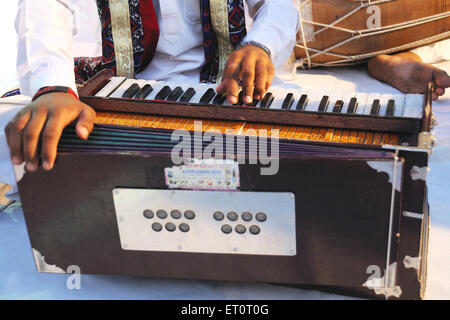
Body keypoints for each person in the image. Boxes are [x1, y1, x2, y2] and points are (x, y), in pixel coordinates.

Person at [6, 0, 300, 172]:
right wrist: (53, 86)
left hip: (226, 85)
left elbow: (277, 4)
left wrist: (261, 46)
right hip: (119, 88)